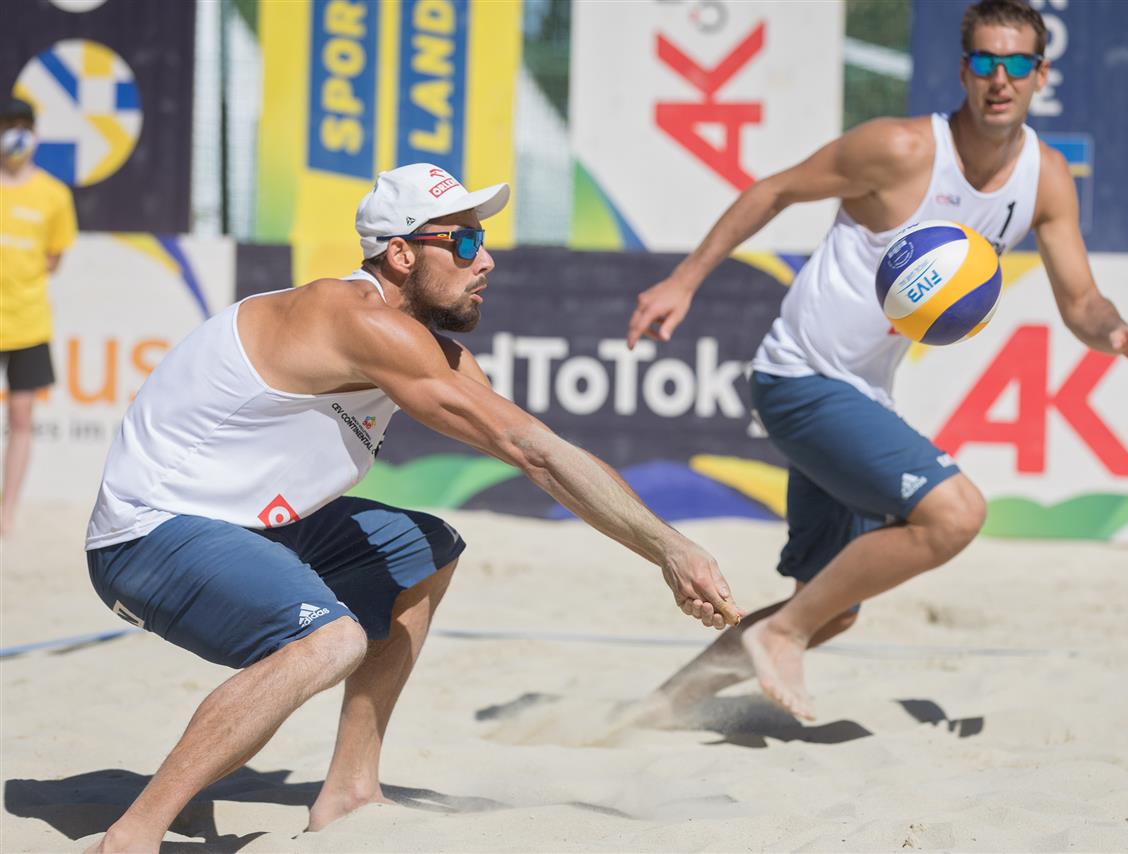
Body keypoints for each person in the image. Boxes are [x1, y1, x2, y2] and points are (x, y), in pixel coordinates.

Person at [83, 163, 744, 853]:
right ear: (400, 254)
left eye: (482, 240)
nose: (484, 259)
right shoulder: (351, 317)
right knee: (330, 639)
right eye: (461, 243)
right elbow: (538, 456)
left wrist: (668, 548)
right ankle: (133, 835)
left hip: (243, 525)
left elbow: (546, 455)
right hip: (147, 535)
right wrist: (671, 549)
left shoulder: (427, 348)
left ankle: (350, 789)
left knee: (423, 549)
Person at [625, 0, 1128, 723]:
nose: (998, 79)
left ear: (1041, 73)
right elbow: (775, 189)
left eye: (1015, 64)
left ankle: (656, 711)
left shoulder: (1046, 178)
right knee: (956, 514)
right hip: (799, 377)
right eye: (983, 62)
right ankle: (778, 634)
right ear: (963, 69)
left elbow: (1083, 302)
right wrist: (684, 279)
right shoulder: (902, 150)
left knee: (833, 609)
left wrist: (1118, 333)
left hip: (862, 393)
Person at [0, 96, 77, 536]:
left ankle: (7, 514)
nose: (16, 135)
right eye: (8, 125)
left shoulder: (52, 194)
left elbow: (53, 257)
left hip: (27, 322)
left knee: (22, 419)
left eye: (22, 126)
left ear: (35, 133)